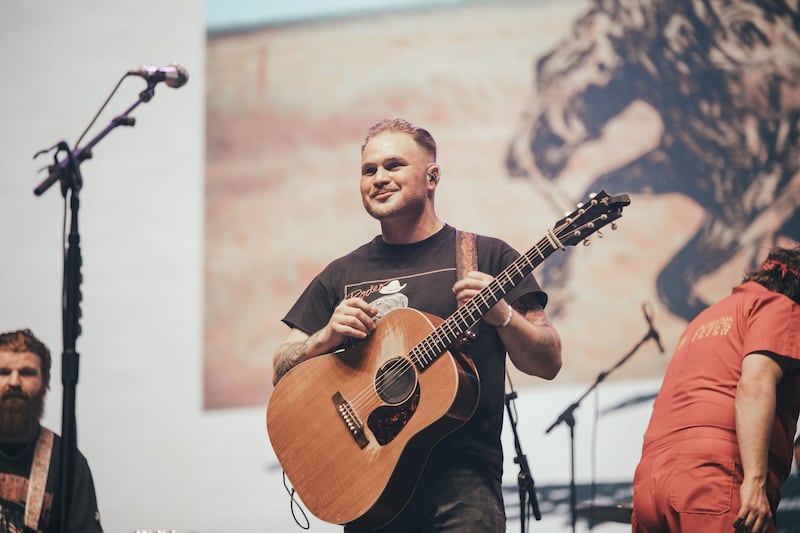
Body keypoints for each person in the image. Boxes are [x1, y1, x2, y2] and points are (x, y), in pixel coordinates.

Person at [272, 118, 562, 532]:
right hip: (368, 485)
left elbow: (548, 359)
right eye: (368, 170)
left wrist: (505, 317)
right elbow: (281, 366)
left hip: (463, 486)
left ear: (432, 177)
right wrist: (323, 338)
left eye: (394, 166)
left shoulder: (486, 257)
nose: (379, 178)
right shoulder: (341, 274)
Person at [631, 246, 800, 533]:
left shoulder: (704, 319)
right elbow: (754, 384)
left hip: (651, 483)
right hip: (714, 479)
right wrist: (756, 481)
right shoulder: (779, 307)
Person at [0, 328, 103, 532]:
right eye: (3, 372)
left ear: (46, 382)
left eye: (26, 373)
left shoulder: (68, 461)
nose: (14, 382)